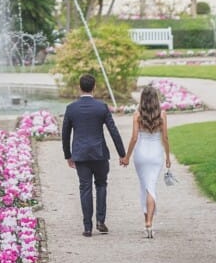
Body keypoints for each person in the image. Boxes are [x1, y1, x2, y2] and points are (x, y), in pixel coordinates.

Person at [61, 73, 127, 237]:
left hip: (80, 154)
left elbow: (65, 134)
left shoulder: (71, 108)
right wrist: (122, 153)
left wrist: (68, 155)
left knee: (85, 188)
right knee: (101, 185)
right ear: (94, 87)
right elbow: (113, 131)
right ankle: (100, 220)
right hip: (99, 153)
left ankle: (87, 227)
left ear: (79, 87)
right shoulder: (101, 107)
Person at [119, 83, 171, 238]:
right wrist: (168, 156)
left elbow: (134, 138)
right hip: (155, 154)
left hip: (141, 154)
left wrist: (127, 157)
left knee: (144, 187)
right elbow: (165, 138)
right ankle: (149, 222)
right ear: (155, 99)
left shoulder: (137, 115)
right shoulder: (162, 114)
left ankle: (146, 222)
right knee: (151, 186)